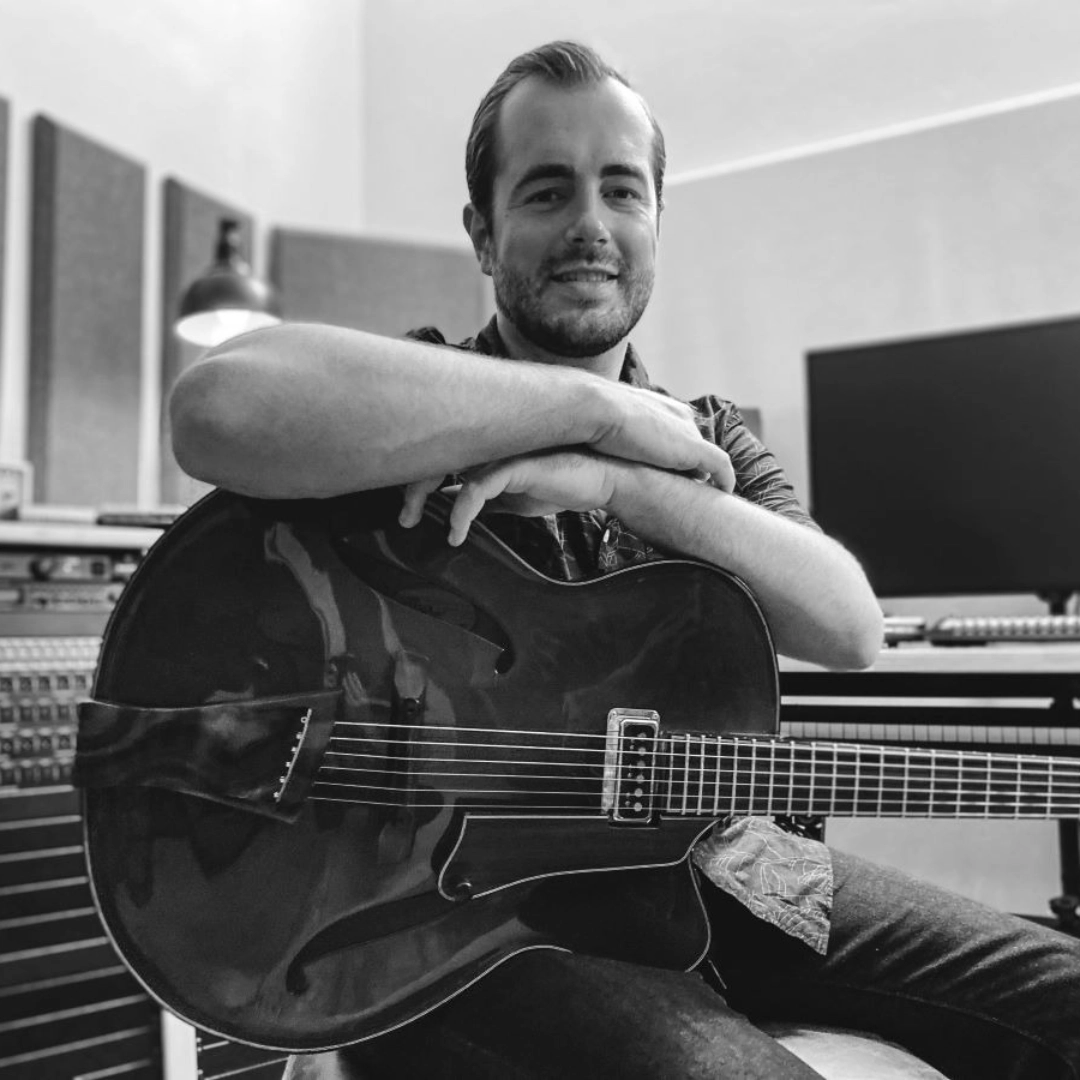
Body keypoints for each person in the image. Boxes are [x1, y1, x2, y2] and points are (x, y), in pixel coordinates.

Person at [169, 40, 1080, 1080]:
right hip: (477, 925)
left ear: (656, 220)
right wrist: (590, 403)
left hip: (729, 870)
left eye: (621, 190)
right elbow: (214, 408)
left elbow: (850, 627)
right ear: (483, 231)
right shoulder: (414, 405)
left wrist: (621, 476)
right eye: (548, 190)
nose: (590, 225)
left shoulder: (707, 442)